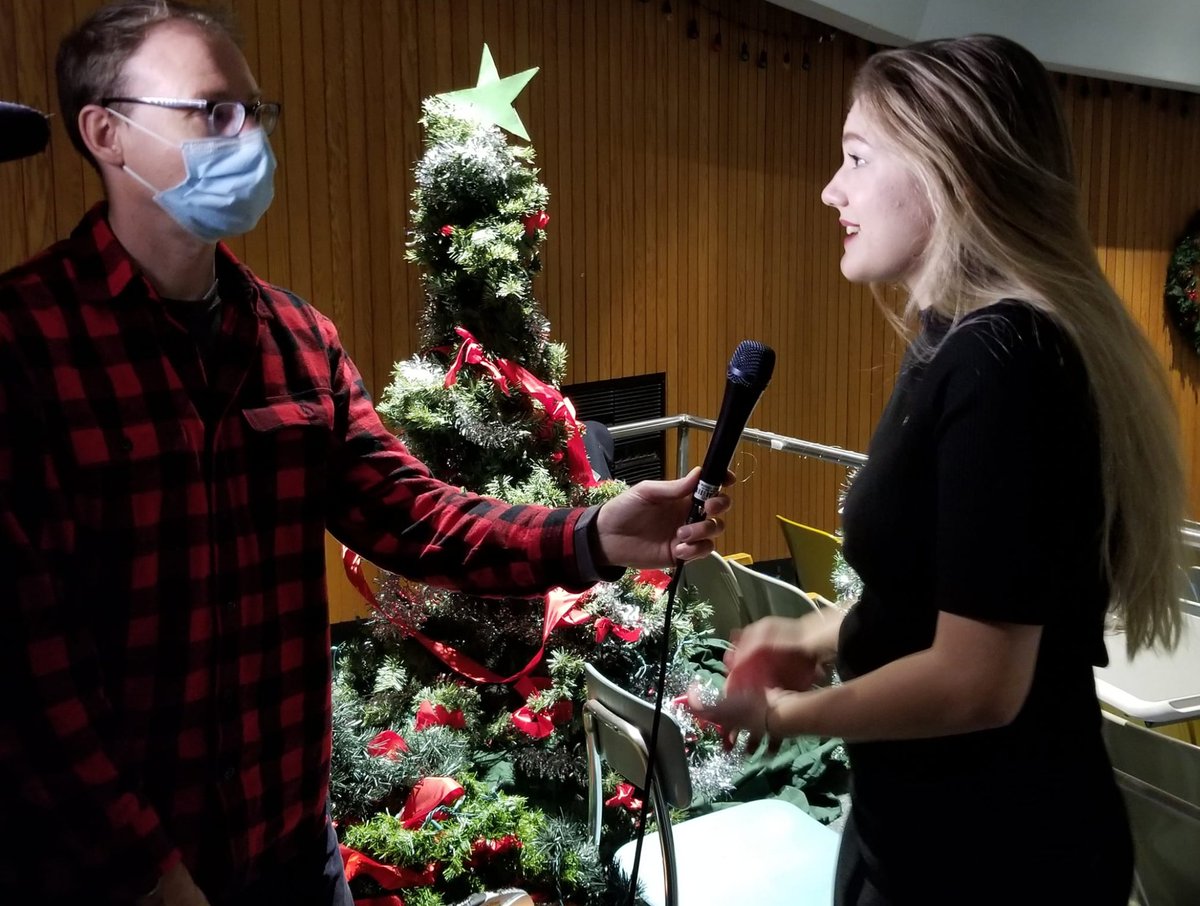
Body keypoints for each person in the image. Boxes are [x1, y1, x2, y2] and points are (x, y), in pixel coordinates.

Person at [0, 3, 730, 905]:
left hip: (291, 845)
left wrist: (594, 536)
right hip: (110, 872)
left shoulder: (298, 337)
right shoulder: (21, 343)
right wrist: (145, 871)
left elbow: (414, 514)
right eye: (212, 111)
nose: (248, 137)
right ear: (107, 131)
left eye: (255, 112)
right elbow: (26, 674)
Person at [692, 34, 1188, 905]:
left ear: (949, 166)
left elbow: (977, 682)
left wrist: (790, 718)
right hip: (917, 830)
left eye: (854, 158)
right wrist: (812, 635)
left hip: (996, 857)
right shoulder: (956, 341)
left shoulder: (1008, 359)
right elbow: (944, 600)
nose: (830, 189)